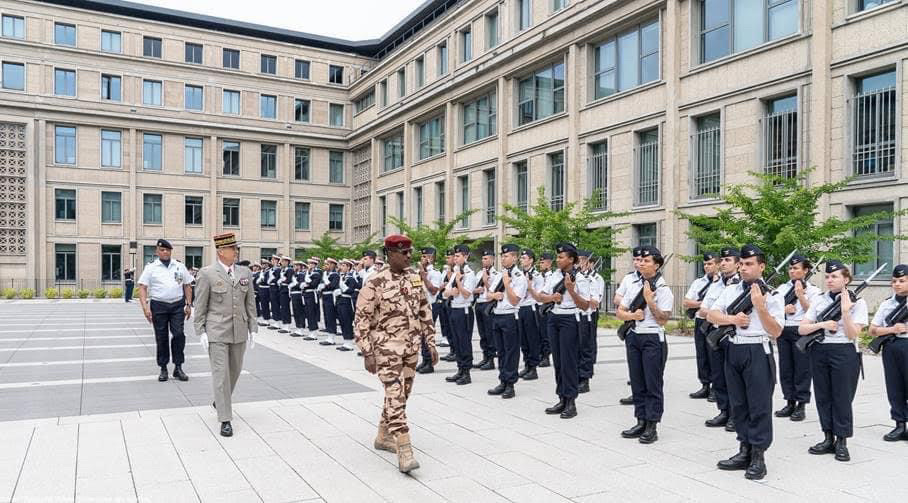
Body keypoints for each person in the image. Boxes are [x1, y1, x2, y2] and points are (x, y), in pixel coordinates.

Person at [354, 234, 437, 473]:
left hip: (411, 347)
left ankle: (383, 435)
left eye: (410, 252)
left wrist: (431, 342)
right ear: (390, 254)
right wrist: (367, 353)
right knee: (395, 393)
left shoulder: (414, 277)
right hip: (386, 349)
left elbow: (424, 309)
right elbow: (361, 319)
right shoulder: (374, 282)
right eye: (404, 253)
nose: (410, 256)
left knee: (403, 393)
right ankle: (404, 448)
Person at [709, 244, 783, 481]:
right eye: (741, 264)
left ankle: (758, 456)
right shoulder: (730, 290)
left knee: (759, 406)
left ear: (762, 267)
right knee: (739, 404)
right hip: (734, 348)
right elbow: (711, 314)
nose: (743, 268)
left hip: (758, 349)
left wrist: (760, 308)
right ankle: (744, 450)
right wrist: (733, 319)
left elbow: (776, 331)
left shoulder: (773, 294)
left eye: (749, 264)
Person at [799, 261, 867, 462]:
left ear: (846, 279)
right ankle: (828, 438)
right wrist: (822, 324)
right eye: (827, 276)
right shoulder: (819, 300)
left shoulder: (858, 302)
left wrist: (845, 312)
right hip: (820, 350)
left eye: (834, 276)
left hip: (844, 350)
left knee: (842, 397)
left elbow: (853, 333)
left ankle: (842, 441)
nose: (829, 280)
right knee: (823, 395)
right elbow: (802, 328)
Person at [192, 232, 257, 437]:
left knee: (235, 371)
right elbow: (200, 305)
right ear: (221, 251)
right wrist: (201, 331)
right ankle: (225, 418)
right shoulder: (207, 273)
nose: (236, 251)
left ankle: (220, 401)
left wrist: (253, 328)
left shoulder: (245, 272)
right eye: (232, 248)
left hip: (239, 330)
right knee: (221, 375)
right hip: (217, 331)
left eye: (236, 248)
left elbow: (250, 302)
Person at [617, 246, 673, 444]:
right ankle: (640, 420)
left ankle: (652, 425)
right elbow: (620, 312)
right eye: (640, 260)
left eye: (646, 261)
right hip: (634, 336)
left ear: (657, 265)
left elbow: (663, 319)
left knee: (652, 384)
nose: (641, 263)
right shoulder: (634, 284)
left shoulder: (663, 290)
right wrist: (632, 315)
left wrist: (650, 302)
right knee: (637, 382)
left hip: (652, 339)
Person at [540, 243, 590, 419]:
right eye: (557, 256)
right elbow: (541, 296)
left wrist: (571, 291)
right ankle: (561, 397)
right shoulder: (555, 275)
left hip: (570, 319)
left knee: (569, 362)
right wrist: (551, 297)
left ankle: (571, 402)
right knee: (558, 361)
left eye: (561, 257)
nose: (558, 259)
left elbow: (585, 305)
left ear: (571, 259)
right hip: (554, 318)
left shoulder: (580, 278)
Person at [138, 239, 193, 382]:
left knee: (179, 334)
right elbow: (142, 287)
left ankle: (178, 367)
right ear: (157, 252)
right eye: (162, 250)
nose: (165, 252)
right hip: (159, 306)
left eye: (168, 250)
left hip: (177, 305)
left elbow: (187, 285)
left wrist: (188, 304)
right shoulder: (151, 267)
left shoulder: (179, 266)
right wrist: (145, 307)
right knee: (161, 337)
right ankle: (163, 368)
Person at [774, 254, 821, 422]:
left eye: (796, 268)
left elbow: (814, 313)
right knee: (786, 368)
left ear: (806, 270)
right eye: (790, 268)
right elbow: (772, 309)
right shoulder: (782, 288)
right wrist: (784, 310)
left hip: (801, 330)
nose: (792, 271)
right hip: (784, 329)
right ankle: (789, 402)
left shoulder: (814, 291)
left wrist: (801, 296)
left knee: (802, 368)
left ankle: (801, 404)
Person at [702, 247, 742, 430]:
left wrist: (720, 315)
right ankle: (724, 410)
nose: (723, 263)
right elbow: (704, 310)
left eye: (728, 260)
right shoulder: (716, 285)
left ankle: (736, 414)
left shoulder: (743, 285)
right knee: (718, 376)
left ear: (738, 264)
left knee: (734, 378)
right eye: (722, 260)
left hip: (734, 336)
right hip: (717, 334)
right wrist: (721, 316)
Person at [869, 264, 908, 442]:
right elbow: (873, 330)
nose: (897, 284)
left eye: (902, 281)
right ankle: (899, 425)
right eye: (894, 281)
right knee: (894, 387)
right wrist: (892, 329)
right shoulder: (887, 303)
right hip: (891, 347)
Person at [486, 244, 526, 399]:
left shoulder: (519, 277)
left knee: (511, 351)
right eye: (502, 256)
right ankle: (502, 380)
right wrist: (495, 295)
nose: (503, 258)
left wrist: (507, 284)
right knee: (501, 351)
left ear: (514, 258)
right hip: (497, 315)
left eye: (506, 256)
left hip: (510, 316)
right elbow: (488, 295)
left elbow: (515, 300)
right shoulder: (500, 275)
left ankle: (510, 384)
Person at [682, 252, 719, 399]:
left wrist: (700, 305)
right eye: (705, 264)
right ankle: (705, 385)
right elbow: (686, 302)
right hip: (700, 320)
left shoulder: (723, 283)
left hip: (714, 321)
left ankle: (716, 387)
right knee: (701, 353)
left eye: (710, 263)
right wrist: (702, 304)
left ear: (718, 264)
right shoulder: (699, 282)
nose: (706, 267)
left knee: (714, 354)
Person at [444, 244, 479, 385]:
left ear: (466, 256)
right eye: (455, 256)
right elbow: (445, 292)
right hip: (454, 309)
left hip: (464, 311)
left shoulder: (469, 274)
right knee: (457, 341)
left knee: (464, 342)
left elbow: (466, 294)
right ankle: (460, 369)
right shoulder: (455, 272)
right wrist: (452, 291)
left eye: (458, 256)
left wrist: (458, 282)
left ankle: (466, 372)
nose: (455, 258)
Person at [615, 246, 644, 405]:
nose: (637, 263)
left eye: (641, 260)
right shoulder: (628, 279)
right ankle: (636, 393)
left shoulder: (656, 281)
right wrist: (631, 305)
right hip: (632, 323)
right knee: (634, 363)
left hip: (649, 327)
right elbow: (617, 298)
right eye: (635, 259)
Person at [578, 251, 605, 394]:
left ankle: (585, 377)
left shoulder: (596, 279)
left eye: (584, 260)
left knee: (587, 345)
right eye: (579, 260)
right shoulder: (575, 277)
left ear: (591, 263)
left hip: (588, 314)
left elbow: (595, 302)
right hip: (574, 315)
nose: (580, 263)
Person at [416, 247, 443, 373]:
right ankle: (425, 360)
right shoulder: (418, 272)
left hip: (431, 306)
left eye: (425, 256)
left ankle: (430, 363)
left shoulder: (435, 273)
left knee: (428, 334)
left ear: (431, 258)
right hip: (420, 307)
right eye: (421, 256)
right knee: (422, 335)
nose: (422, 259)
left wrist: (424, 276)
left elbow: (433, 290)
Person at [517, 249, 543, 381]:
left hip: (531, 308)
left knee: (532, 339)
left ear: (531, 260)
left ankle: (533, 368)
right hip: (520, 308)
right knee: (523, 339)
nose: (521, 260)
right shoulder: (519, 274)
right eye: (521, 258)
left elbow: (539, 296)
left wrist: (529, 287)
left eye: (524, 258)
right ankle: (527, 365)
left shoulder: (537, 276)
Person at [473, 250, 498, 371]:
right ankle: (485, 357)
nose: (484, 261)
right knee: (482, 333)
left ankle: (491, 359)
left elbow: (493, 291)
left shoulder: (496, 274)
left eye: (486, 258)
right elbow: (473, 289)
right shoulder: (479, 273)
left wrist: (486, 281)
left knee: (489, 333)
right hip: (479, 304)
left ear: (492, 260)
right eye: (483, 258)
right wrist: (477, 290)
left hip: (488, 304)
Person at [336, 259, 360, 352]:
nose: (341, 267)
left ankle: (349, 343)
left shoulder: (351, 279)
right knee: (342, 321)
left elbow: (351, 290)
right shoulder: (341, 277)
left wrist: (342, 286)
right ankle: (345, 341)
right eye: (341, 265)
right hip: (340, 300)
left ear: (349, 267)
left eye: (344, 266)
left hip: (347, 301)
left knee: (347, 322)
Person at [536, 252, 554, 367]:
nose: (540, 264)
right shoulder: (538, 276)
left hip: (547, 307)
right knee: (538, 332)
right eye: (540, 262)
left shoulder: (552, 277)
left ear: (549, 263)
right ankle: (540, 354)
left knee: (545, 333)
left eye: (543, 262)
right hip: (537, 306)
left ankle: (546, 356)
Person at [320, 258, 341, 345]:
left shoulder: (335, 275)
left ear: (333, 265)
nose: (326, 266)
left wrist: (325, 283)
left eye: (328, 264)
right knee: (326, 316)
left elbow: (332, 286)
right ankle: (329, 335)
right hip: (325, 296)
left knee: (331, 316)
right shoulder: (325, 274)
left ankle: (332, 337)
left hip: (331, 297)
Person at [302, 257, 322, 340]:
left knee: (312, 313)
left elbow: (314, 284)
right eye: (309, 264)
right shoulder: (307, 273)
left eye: (311, 264)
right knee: (308, 313)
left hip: (312, 295)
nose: (310, 265)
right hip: (306, 294)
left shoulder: (316, 274)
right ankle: (311, 331)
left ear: (315, 265)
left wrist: (307, 283)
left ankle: (314, 333)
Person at [289, 261, 306, 337]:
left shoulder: (302, 275)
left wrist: (294, 284)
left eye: (297, 265)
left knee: (300, 312)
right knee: (295, 312)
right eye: (294, 266)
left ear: (300, 267)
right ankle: (298, 327)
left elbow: (301, 285)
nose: (295, 267)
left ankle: (301, 328)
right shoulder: (294, 275)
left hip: (298, 294)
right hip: (293, 294)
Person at [278, 256, 293, 333]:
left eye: (283, 261)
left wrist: (283, 280)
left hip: (286, 290)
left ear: (287, 262)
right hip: (282, 290)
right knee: (283, 308)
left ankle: (287, 326)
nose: (282, 263)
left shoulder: (289, 270)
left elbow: (290, 280)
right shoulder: (283, 270)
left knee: (286, 308)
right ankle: (284, 324)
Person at [267, 254, 282, 330]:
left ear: (277, 261)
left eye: (273, 260)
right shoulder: (271, 269)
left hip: (276, 288)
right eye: (272, 260)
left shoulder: (278, 269)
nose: (272, 261)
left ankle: (277, 322)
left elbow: (277, 278)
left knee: (276, 305)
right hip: (271, 287)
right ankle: (275, 321)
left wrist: (272, 280)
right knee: (273, 305)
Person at [256, 259, 271, 326]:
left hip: (266, 289)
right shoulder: (263, 271)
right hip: (261, 288)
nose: (262, 265)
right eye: (262, 264)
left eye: (264, 264)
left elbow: (267, 281)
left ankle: (267, 319)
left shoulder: (268, 271)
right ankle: (265, 318)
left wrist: (262, 279)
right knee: (263, 304)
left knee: (265, 304)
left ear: (267, 264)